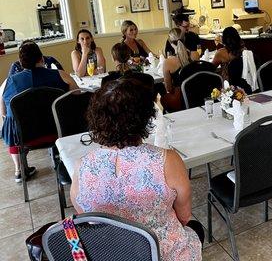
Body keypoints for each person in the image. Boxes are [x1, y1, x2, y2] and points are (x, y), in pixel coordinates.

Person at [70, 78, 203, 260]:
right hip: (161, 253)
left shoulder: (82, 166)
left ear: (96, 119)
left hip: (110, 255)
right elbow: (184, 216)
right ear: (146, 117)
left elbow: (86, 216)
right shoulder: (168, 160)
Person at [1, 41, 78, 182]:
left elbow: (4, 114)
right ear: (41, 58)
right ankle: (71, 162)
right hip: (58, 131)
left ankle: (19, 169)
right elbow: (76, 95)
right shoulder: (61, 75)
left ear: (20, 62)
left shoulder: (9, 82)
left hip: (24, 137)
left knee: (11, 122)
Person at [161, 28, 199, 112]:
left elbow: (169, 89)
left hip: (180, 101)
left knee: (164, 99)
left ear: (170, 43)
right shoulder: (195, 55)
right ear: (184, 39)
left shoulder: (168, 62)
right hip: (197, 95)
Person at [211, 26, 252, 93]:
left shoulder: (221, 52)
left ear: (224, 39)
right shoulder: (244, 50)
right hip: (244, 83)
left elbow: (211, 68)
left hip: (228, 86)